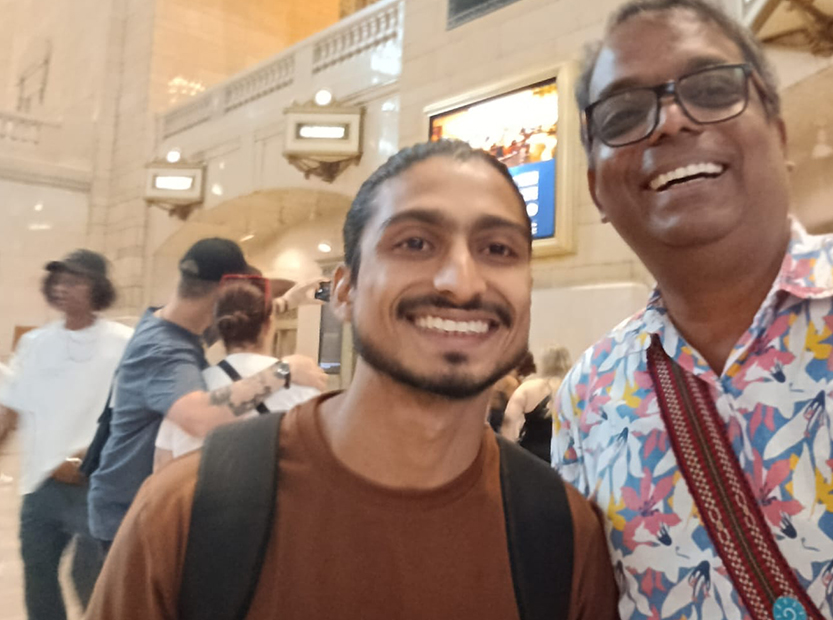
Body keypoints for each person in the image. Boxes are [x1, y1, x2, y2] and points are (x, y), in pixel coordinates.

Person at [554, 0, 833, 620]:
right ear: (596, 188)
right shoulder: (588, 399)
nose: (673, 119)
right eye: (623, 115)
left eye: (710, 90)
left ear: (780, 135)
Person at [86, 140, 620, 620]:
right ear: (343, 291)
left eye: (498, 250)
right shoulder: (187, 513)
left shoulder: (563, 534)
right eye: (415, 243)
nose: (461, 281)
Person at [87, 237, 327, 548]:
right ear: (223, 292)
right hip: (129, 515)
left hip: (139, 504)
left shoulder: (170, 322)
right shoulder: (162, 349)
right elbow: (200, 417)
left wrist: (287, 302)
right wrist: (284, 371)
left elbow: (236, 322)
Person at [0, 250, 132, 620]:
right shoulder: (35, 343)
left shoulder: (123, 343)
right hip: (40, 485)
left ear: (98, 288)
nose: (61, 288)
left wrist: (93, 454)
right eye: (57, 281)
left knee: (89, 578)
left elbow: (133, 412)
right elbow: (11, 406)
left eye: (73, 281)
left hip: (97, 485)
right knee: (38, 578)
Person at [153, 278, 320, 469]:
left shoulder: (188, 393)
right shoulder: (303, 387)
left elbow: (161, 464)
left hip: (198, 496)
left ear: (219, 329)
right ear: (268, 325)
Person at [502, 345, 571, 462]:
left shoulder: (527, 389)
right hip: (565, 456)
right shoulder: (575, 389)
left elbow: (508, 425)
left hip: (532, 457)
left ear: (542, 363)